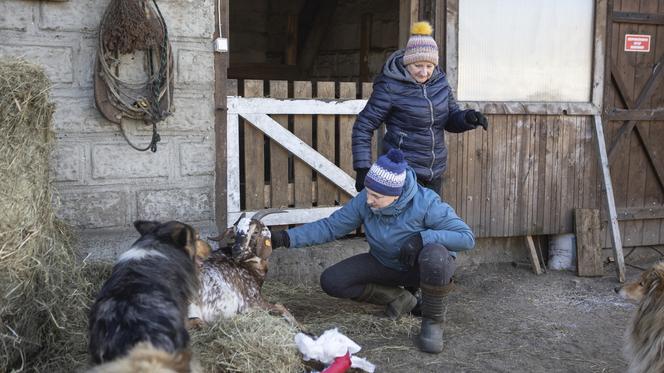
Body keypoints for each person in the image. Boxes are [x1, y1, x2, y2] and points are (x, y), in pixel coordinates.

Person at [270, 149, 475, 353]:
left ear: (396, 194)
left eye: (376, 196)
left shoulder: (426, 202)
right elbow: (331, 227)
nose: (369, 200)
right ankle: (400, 298)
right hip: (384, 263)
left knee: (437, 257)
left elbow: (466, 238)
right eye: (369, 192)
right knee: (332, 280)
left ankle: (432, 322)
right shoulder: (365, 201)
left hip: (420, 270)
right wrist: (285, 238)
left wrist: (423, 238)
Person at [352, 21, 488, 195]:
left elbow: (450, 118)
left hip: (434, 173)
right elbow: (363, 126)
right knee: (405, 222)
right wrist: (362, 168)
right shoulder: (390, 86)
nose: (424, 72)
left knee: (428, 221)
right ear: (407, 63)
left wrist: (468, 118)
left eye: (429, 66)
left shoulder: (440, 83)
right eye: (418, 66)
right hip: (403, 174)